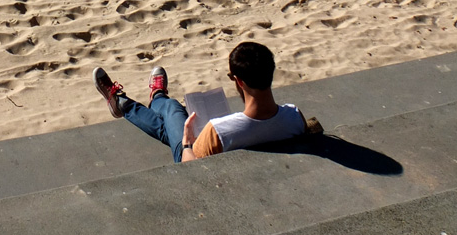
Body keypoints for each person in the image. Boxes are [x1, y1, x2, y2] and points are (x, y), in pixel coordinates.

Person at [92, 41, 320, 164]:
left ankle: (145, 100)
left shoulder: (218, 131)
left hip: (197, 152)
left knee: (173, 111)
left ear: (239, 82)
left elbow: (190, 166)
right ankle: (129, 102)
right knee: (171, 118)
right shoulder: (294, 116)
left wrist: (187, 142)